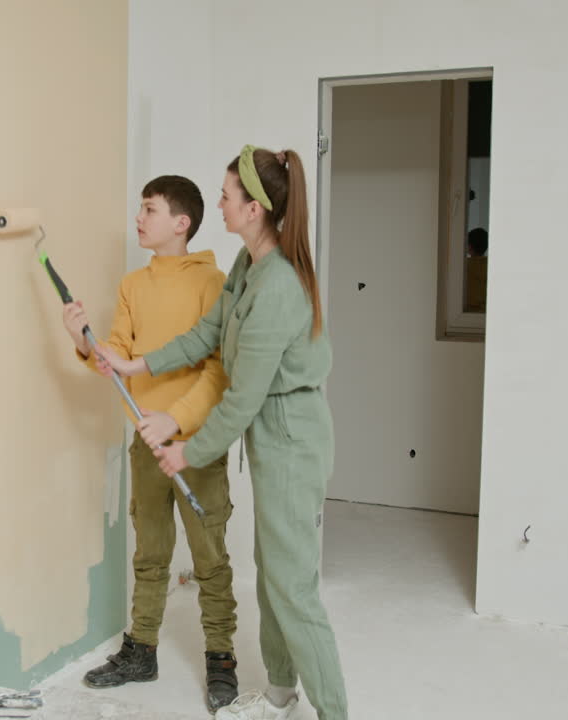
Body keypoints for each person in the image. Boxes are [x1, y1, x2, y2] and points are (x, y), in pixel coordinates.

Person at [95, 146, 348, 720]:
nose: (222, 204)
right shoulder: (248, 264)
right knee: (272, 576)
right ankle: (281, 694)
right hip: (270, 438)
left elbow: (240, 397)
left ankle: (335, 712)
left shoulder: (279, 285)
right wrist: (140, 366)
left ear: (254, 209)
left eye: (229, 196)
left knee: (294, 590)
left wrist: (188, 450)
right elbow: (208, 333)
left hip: (292, 442)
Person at [62, 175, 241, 712]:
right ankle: (141, 651)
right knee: (150, 553)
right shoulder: (132, 285)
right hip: (145, 440)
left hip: (198, 444)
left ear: (181, 222)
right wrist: (81, 339)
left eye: (150, 209)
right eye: (140, 209)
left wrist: (177, 421)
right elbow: (117, 356)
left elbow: (217, 369)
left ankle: (221, 658)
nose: (139, 218)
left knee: (210, 557)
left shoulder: (216, 282)